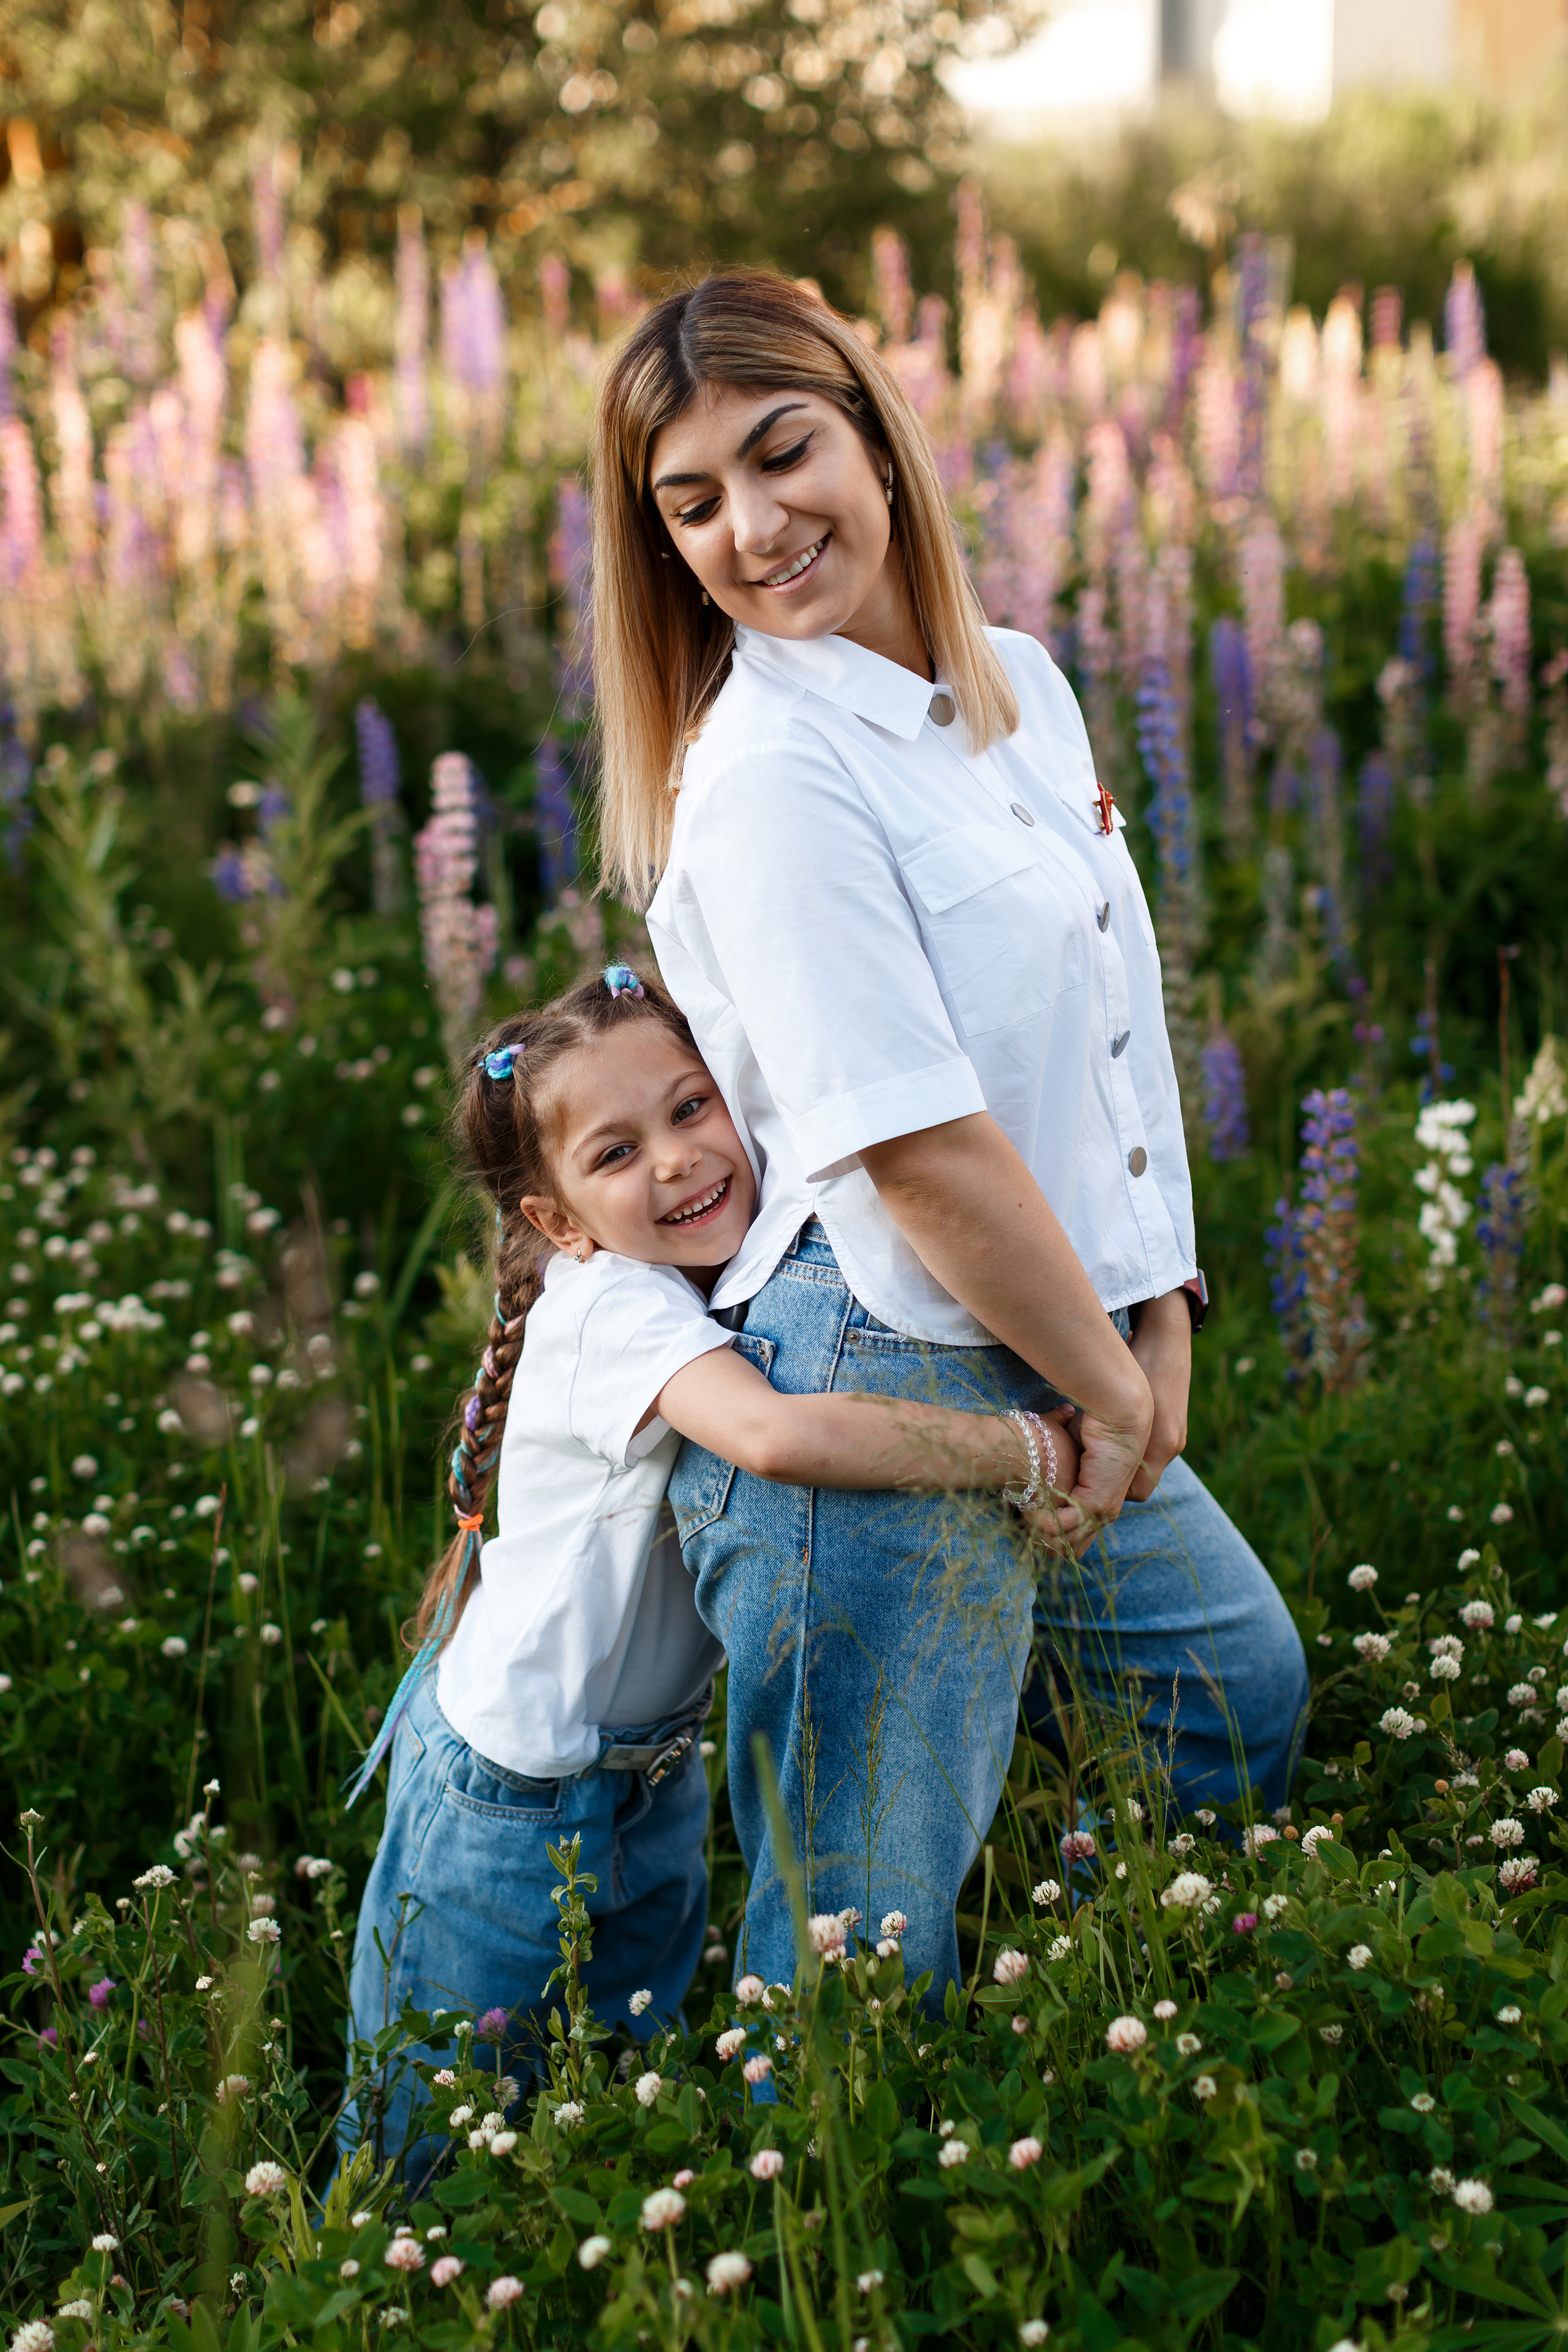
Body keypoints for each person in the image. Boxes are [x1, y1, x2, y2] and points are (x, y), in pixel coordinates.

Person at [590, 270, 1311, 1999]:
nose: (754, 528)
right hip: (887, 1353)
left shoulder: (1023, 689)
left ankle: (1095, 2043)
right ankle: (802, 2231)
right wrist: (1111, 1393)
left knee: (1232, 1699)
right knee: (854, 1948)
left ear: (879, 444)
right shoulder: (771, 776)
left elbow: (1115, 1030)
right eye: (694, 503)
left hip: (1054, 1318)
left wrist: (1159, 1314)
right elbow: (920, 1151)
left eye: (785, 456)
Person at [341, 965, 1079, 2175]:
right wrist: (1022, 1449)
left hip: (644, 1783)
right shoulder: (614, 1307)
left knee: (612, 2101)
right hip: (507, 1803)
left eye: (691, 1108)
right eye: (616, 1153)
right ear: (557, 1221)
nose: (677, 1160)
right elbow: (778, 1436)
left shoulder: (693, 1278)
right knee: (424, 2129)